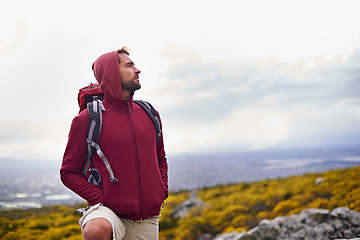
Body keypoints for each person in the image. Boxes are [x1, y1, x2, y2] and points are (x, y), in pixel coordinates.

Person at [60, 47, 168, 240]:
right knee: (95, 229)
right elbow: (68, 172)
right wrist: (103, 199)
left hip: (148, 219)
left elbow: (160, 158)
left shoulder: (149, 114)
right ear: (111, 74)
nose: (137, 70)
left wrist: (161, 190)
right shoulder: (87, 120)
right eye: (129, 65)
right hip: (108, 212)